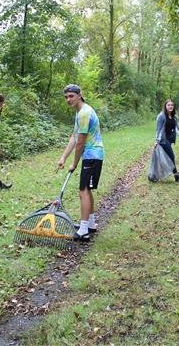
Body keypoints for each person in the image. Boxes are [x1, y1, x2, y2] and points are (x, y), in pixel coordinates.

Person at [57, 84, 105, 242]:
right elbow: (74, 137)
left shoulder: (84, 113)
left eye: (71, 96)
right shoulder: (80, 112)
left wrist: (74, 163)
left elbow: (80, 143)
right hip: (90, 155)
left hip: (92, 155)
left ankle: (84, 230)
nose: (68, 99)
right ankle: (90, 224)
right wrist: (63, 157)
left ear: (79, 95)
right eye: (66, 97)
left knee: (83, 191)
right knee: (87, 190)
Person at [155, 99, 179, 183]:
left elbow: (176, 129)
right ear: (165, 106)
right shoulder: (161, 116)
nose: (170, 106)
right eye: (168, 105)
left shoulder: (174, 117)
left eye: (172, 105)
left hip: (170, 139)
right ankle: (177, 177)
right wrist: (157, 140)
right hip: (163, 140)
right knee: (171, 157)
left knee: (165, 158)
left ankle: (155, 175)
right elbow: (159, 130)